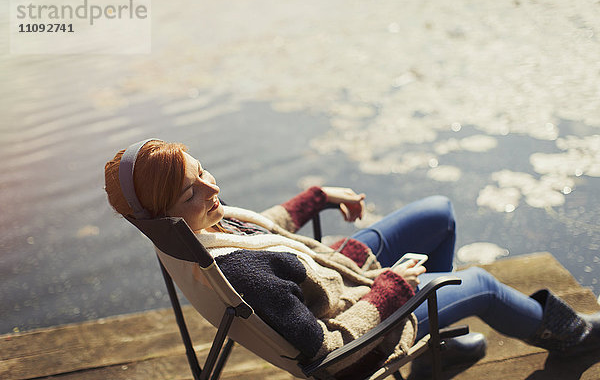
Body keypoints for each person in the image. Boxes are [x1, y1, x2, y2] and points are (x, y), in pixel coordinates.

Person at [105, 139, 600, 378]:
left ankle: (435, 348)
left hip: (330, 278)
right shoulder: (242, 276)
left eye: (203, 170)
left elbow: (262, 227)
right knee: (482, 283)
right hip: (363, 325)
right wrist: (393, 292)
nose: (212, 187)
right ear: (165, 214)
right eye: (193, 190)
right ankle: (570, 337)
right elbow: (323, 351)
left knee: (437, 213)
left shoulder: (186, 236)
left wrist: (314, 198)